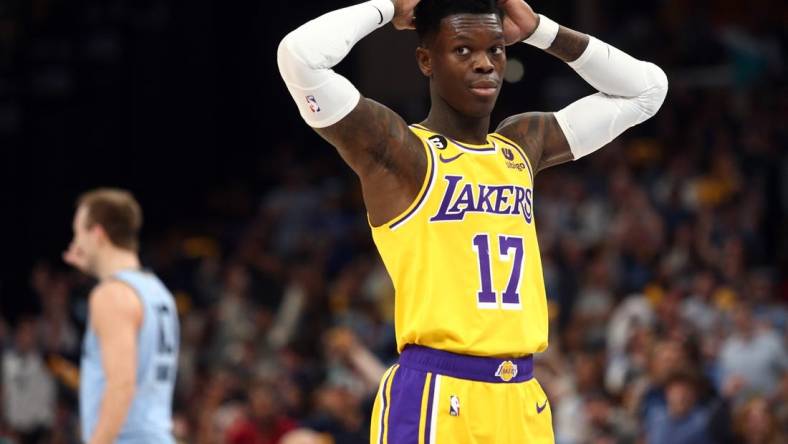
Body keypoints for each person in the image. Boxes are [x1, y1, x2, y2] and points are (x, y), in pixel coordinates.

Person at [277, 0, 667, 442]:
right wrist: (389, 8)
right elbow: (300, 57)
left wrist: (541, 30)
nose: (485, 64)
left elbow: (648, 90)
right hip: (437, 390)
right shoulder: (402, 152)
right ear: (426, 59)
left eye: (496, 50)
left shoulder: (522, 145)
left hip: (522, 395)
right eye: (463, 50)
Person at [63, 189, 179, 443]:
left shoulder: (110, 296)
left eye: (78, 233)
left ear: (97, 234)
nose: (76, 244)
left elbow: (121, 385)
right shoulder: (158, 292)